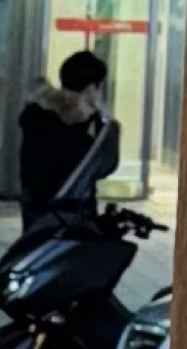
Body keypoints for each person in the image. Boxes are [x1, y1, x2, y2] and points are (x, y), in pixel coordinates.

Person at [16, 46, 114, 221]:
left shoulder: (35, 114)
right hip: (71, 218)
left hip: (36, 215)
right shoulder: (89, 126)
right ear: (92, 87)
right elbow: (104, 166)